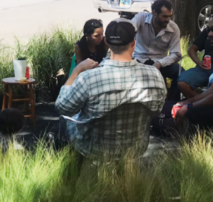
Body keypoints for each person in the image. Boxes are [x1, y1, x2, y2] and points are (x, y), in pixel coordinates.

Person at [55, 18, 167, 157]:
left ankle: (70, 169)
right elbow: (157, 110)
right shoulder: (155, 75)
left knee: (63, 122)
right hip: (135, 148)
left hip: (94, 149)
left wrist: (76, 72)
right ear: (133, 42)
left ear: (107, 42)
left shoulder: (88, 78)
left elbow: (62, 107)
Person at [132, 0, 182, 101]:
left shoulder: (173, 28)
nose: (168, 19)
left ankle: (171, 103)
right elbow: (129, 29)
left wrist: (160, 63)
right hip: (139, 59)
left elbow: (176, 54)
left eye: (170, 16)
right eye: (164, 16)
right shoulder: (141, 18)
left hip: (160, 61)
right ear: (154, 13)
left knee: (180, 73)